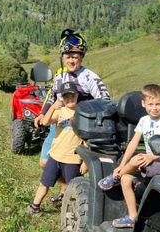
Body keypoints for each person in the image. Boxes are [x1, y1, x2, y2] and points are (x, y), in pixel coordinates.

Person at [35, 29, 110, 205]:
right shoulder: (59, 74)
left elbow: (105, 102)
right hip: (60, 124)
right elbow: (52, 97)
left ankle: (72, 195)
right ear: (63, 56)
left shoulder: (90, 77)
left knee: (74, 168)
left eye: (76, 56)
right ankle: (64, 190)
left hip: (82, 130)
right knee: (45, 161)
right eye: (68, 56)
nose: (71, 59)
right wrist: (42, 113)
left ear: (81, 58)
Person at [98, 84, 160, 228]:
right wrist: (122, 165)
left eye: (158, 104)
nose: (154, 108)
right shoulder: (144, 121)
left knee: (137, 159)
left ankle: (114, 177)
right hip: (149, 162)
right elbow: (133, 144)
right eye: (150, 104)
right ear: (143, 104)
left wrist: (152, 157)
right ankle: (132, 217)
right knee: (126, 179)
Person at [29, 82, 87, 216]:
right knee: (44, 183)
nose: (69, 99)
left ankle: (72, 215)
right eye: (66, 97)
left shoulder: (83, 114)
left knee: (73, 189)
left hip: (73, 159)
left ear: (77, 96)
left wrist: (84, 162)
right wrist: (52, 107)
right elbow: (44, 122)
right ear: (62, 98)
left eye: (72, 95)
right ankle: (34, 207)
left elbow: (86, 140)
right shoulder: (60, 112)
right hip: (55, 156)